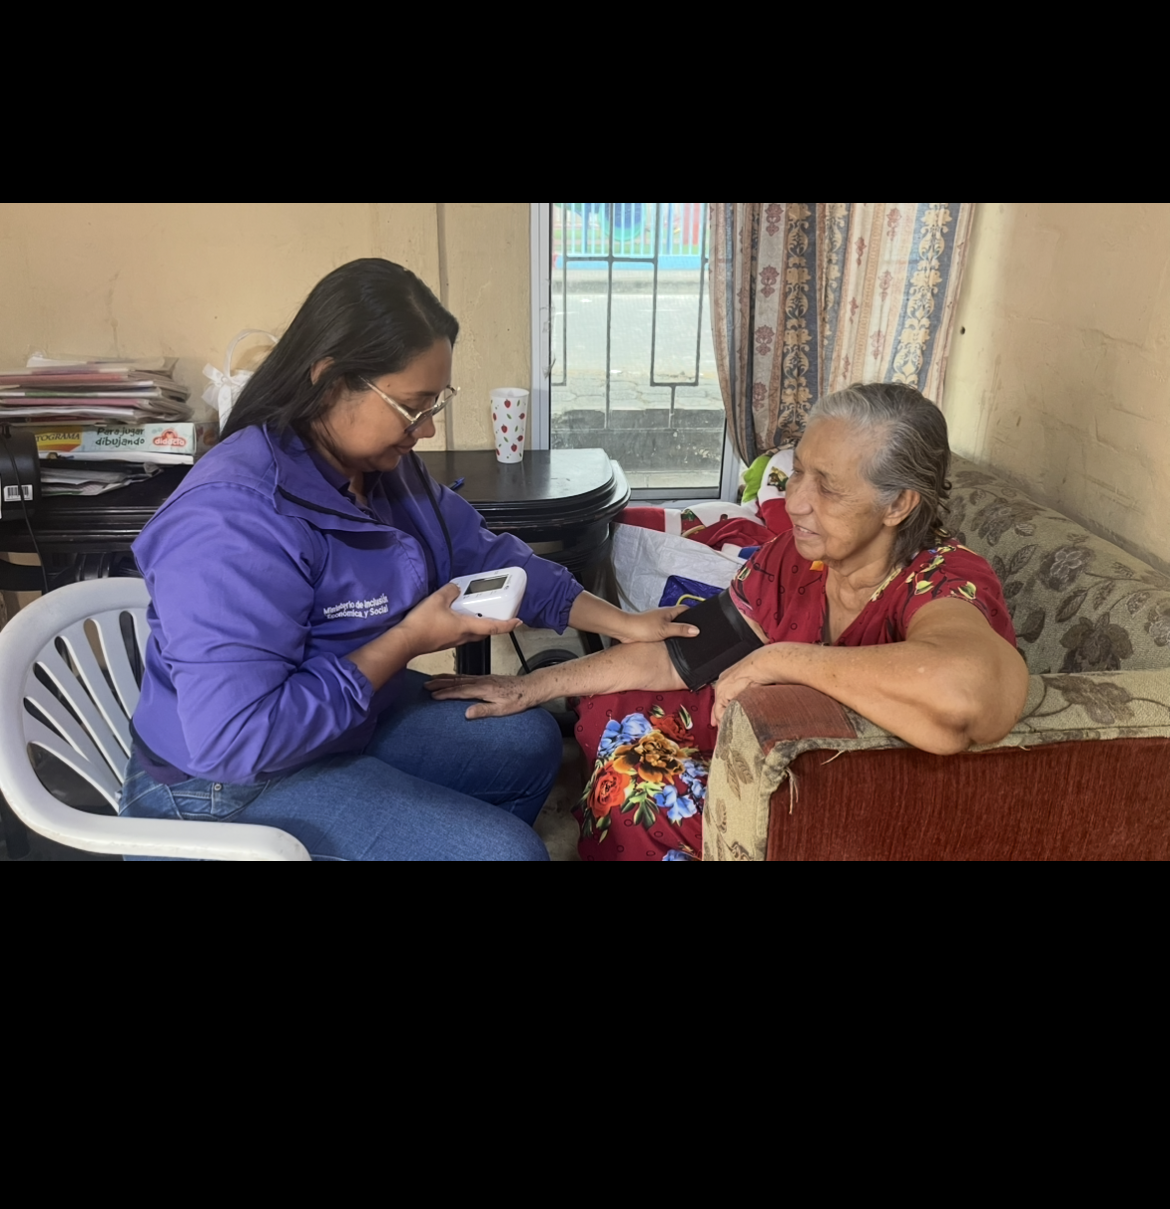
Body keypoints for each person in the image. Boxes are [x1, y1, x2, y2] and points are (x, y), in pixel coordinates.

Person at [117, 260, 695, 861]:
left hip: (343, 721)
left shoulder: (383, 473)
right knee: (506, 853)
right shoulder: (231, 520)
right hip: (224, 787)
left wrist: (624, 624)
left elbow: (490, 556)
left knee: (527, 742)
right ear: (330, 380)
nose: (427, 430)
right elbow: (236, 740)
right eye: (413, 407)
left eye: (433, 405)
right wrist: (409, 639)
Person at [428, 382, 1031, 862]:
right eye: (798, 472)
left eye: (827, 488)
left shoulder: (943, 579)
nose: (795, 501)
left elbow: (967, 694)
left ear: (898, 504)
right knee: (614, 708)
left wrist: (782, 658)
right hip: (779, 752)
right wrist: (531, 686)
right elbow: (686, 650)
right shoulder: (798, 559)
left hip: (855, 798)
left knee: (638, 784)